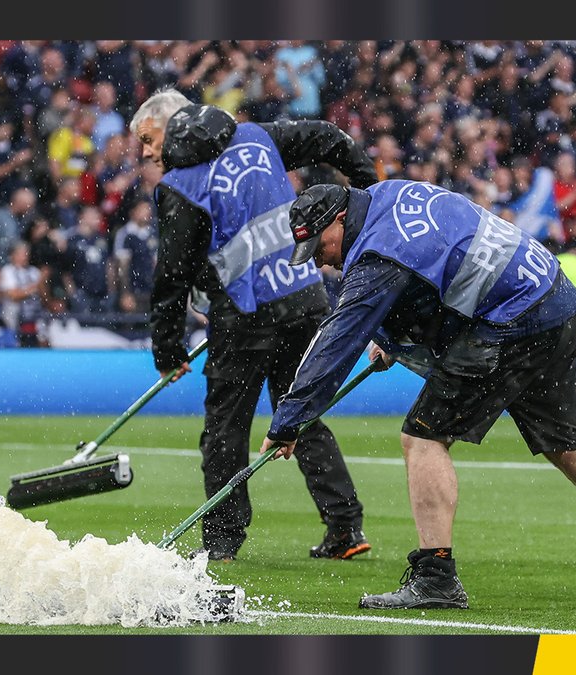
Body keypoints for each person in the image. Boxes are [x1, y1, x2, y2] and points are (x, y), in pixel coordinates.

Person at [261, 181, 576, 609]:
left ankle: (435, 578)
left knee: (424, 438)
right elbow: (441, 257)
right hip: (554, 301)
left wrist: (289, 422)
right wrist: (394, 336)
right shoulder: (387, 193)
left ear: (339, 219)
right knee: (570, 446)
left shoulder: (378, 253)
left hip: (513, 320)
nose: (320, 259)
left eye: (321, 246)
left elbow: (337, 341)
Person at [130, 90, 376, 561]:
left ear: (173, 122)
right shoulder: (257, 136)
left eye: (147, 138)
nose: (144, 152)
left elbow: (171, 275)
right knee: (299, 414)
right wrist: (367, 194)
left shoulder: (182, 183)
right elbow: (329, 138)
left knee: (225, 429)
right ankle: (345, 526)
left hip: (245, 315)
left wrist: (167, 348)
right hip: (304, 295)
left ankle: (222, 542)